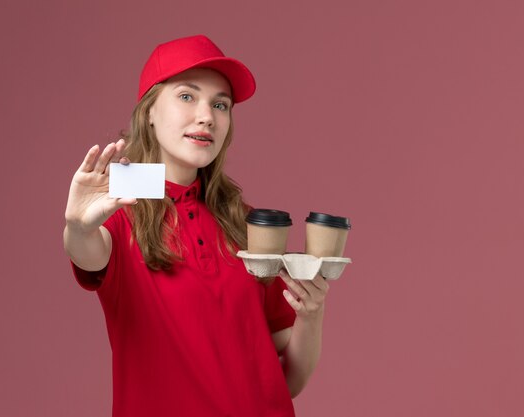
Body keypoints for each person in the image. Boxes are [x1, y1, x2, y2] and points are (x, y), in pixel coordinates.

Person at [63, 35, 329, 417]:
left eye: (220, 104)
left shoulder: (244, 222)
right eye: (187, 96)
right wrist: (77, 227)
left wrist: (312, 314)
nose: (207, 116)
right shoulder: (117, 207)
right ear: (149, 110)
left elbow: (287, 380)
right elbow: (86, 250)